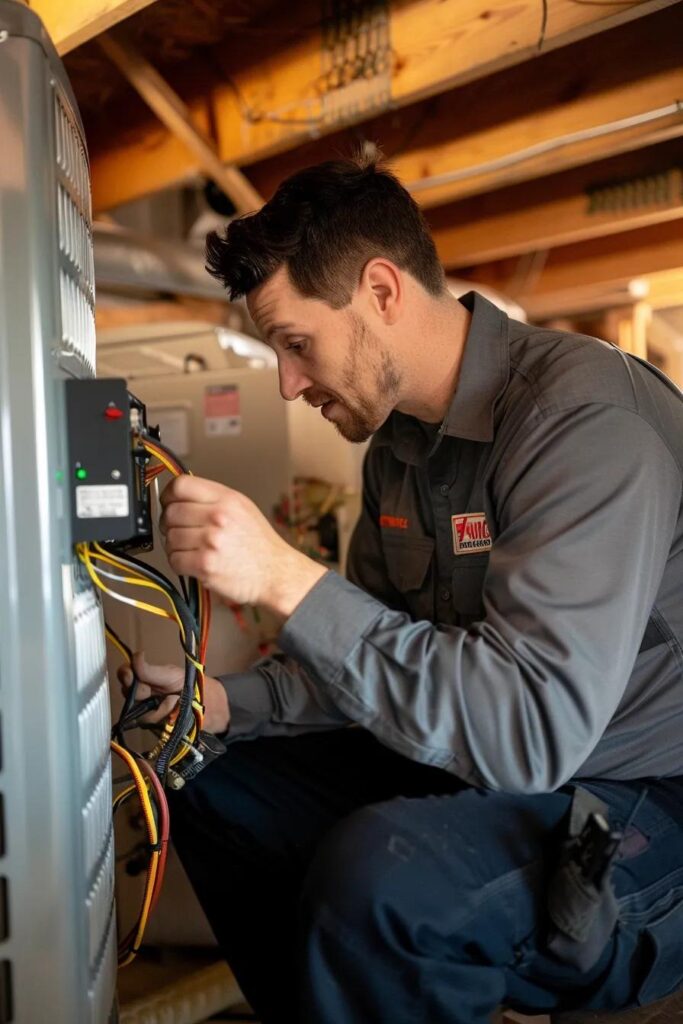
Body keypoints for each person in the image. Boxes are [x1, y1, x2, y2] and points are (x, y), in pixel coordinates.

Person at [118, 152, 683, 1024]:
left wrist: (283, 576)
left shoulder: (581, 421)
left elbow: (530, 733)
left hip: (644, 793)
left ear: (380, 290)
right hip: (508, 769)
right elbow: (378, 658)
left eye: (295, 344)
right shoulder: (398, 451)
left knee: (383, 879)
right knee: (200, 774)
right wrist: (224, 703)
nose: (287, 383)